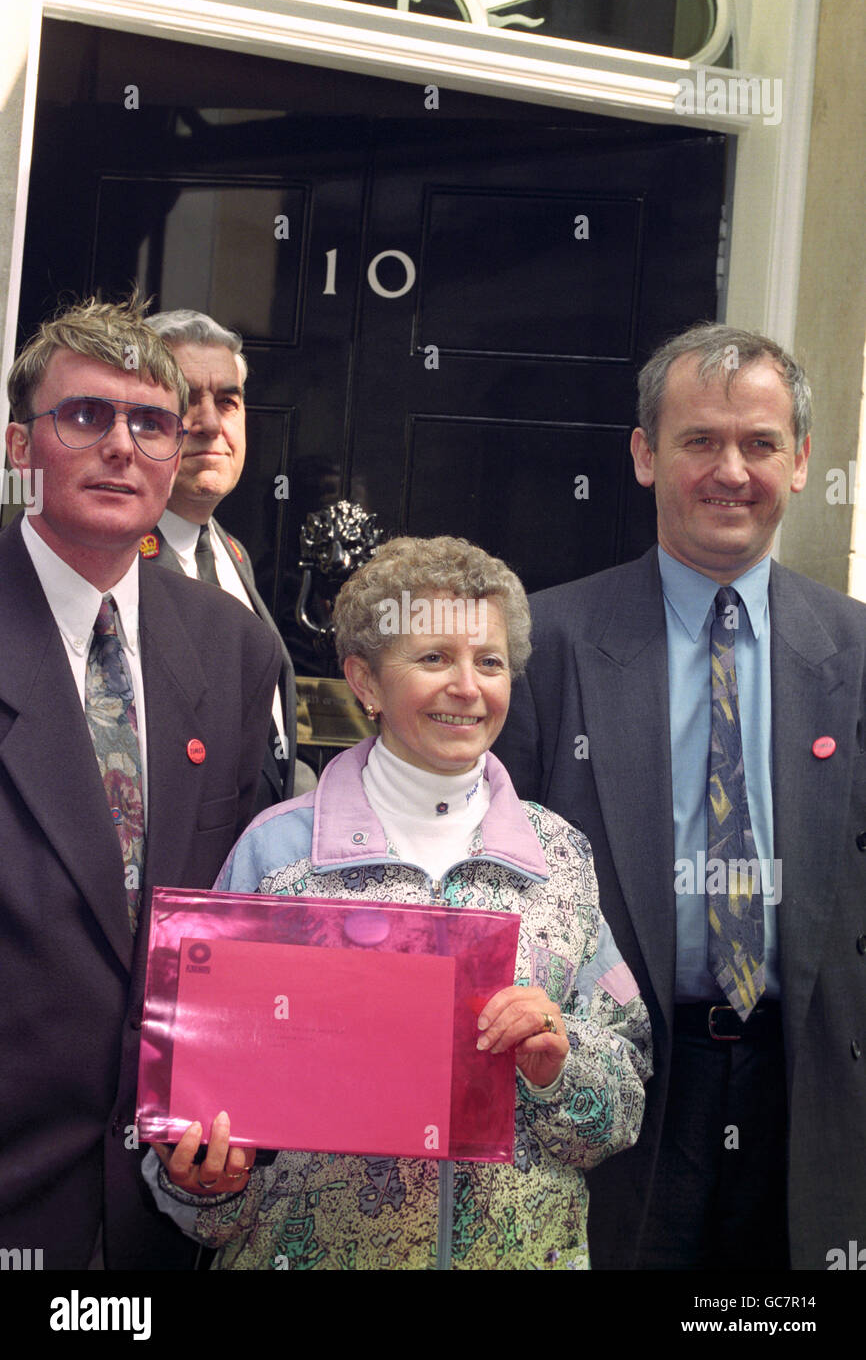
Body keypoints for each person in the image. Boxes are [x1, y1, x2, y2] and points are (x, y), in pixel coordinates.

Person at [146, 535, 652, 1269]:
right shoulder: (279, 856)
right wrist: (205, 1180)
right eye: (433, 658)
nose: (467, 687)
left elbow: (624, 1096)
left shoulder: (558, 859)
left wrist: (557, 1063)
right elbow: (194, 1115)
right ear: (366, 682)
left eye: (490, 662)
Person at [495, 323, 866, 1271]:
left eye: (759, 443)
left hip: (809, 1090)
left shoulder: (857, 653)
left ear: (802, 462)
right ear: (645, 455)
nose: (730, 470)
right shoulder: (548, 643)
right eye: (700, 440)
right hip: (613, 1084)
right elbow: (499, 880)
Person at [0, 295, 281, 1269]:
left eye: (149, 423)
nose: (121, 445)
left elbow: (236, 918)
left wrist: (230, 1114)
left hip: (164, 1204)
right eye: (85, 416)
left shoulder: (234, 648)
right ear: (18, 447)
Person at [142, 308, 314, 807]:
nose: (211, 423)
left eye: (228, 401)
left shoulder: (231, 551)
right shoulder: (110, 563)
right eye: (185, 400)